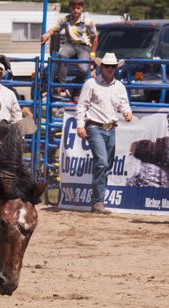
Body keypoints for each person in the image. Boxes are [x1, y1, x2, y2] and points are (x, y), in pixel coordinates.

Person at [76, 52, 133, 214]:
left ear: (116, 68)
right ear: (102, 67)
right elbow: (82, 106)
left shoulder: (119, 86)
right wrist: (80, 125)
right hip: (94, 126)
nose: (110, 69)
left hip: (111, 128)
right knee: (101, 162)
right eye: (107, 66)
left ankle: (98, 199)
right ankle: (98, 201)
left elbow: (123, 104)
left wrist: (127, 112)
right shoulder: (91, 84)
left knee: (106, 165)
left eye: (112, 66)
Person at [41, 0, 98, 96]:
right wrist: (48, 34)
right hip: (70, 44)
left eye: (78, 8)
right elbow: (55, 28)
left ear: (82, 9)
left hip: (83, 46)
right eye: (73, 8)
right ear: (70, 9)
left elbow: (95, 37)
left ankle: (74, 88)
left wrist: (92, 53)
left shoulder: (87, 22)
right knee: (62, 55)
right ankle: (62, 86)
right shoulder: (65, 19)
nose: (75, 11)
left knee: (84, 69)